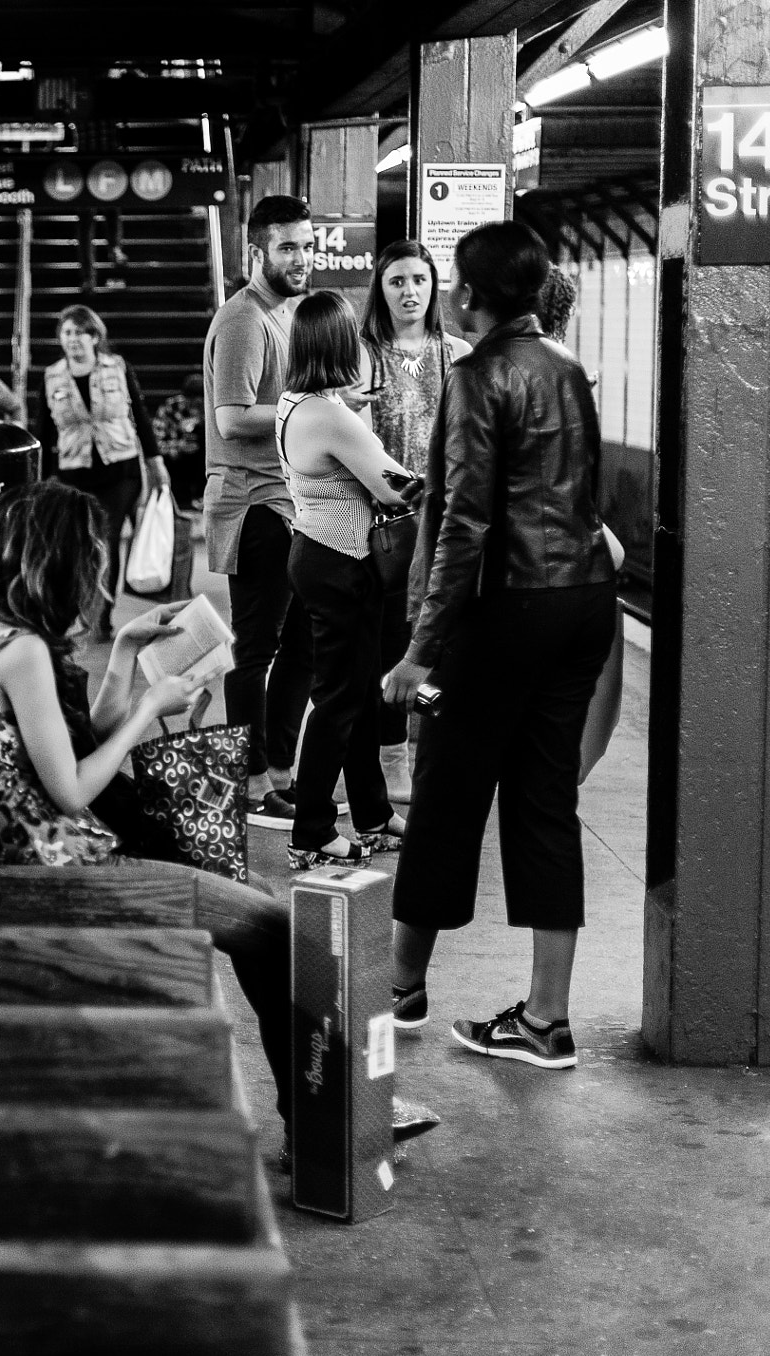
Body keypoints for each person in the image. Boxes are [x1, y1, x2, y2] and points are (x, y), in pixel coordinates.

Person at [0, 482, 438, 1149]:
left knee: (260, 905)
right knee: (274, 921)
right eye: (90, 567)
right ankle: (323, 1121)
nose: (96, 586)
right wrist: (154, 702)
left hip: (35, 863)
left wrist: (124, 658)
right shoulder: (19, 652)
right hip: (56, 877)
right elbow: (75, 787)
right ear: (51, 560)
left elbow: (75, 743)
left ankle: (320, 1112)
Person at [382, 220, 618, 1070]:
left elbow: (465, 522)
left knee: (447, 790)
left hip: (506, 609)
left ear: (468, 294)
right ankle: (546, 1020)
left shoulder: (478, 374)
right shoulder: (565, 365)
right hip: (582, 599)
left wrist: (419, 649)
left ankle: (400, 984)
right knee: (545, 801)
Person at [275, 292, 414, 870]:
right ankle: (311, 827)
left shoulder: (295, 403)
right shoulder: (329, 415)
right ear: (339, 344)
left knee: (355, 692)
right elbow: (396, 487)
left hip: (313, 553)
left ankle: (373, 814)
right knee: (338, 698)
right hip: (341, 564)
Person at [203, 195, 315, 831]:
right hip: (255, 506)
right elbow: (231, 417)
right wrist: (314, 413)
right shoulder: (245, 319)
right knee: (258, 650)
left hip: (290, 503)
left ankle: (279, 775)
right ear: (256, 253)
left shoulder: (290, 314)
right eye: (288, 248)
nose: (302, 259)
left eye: (306, 245)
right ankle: (245, 783)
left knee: (300, 647)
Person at [360, 239, 473, 806]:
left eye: (420, 281)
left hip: (446, 522)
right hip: (383, 520)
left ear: (436, 289)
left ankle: (428, 739)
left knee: (437, 641)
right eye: (397, 281)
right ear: (380, 289)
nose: (410, 291)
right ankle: (390, 752)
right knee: (391, 643)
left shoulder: (457, 353)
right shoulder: (362, 353)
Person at [35, 304, 170, 638]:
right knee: (80, 544)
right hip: (74, 473)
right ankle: (83, 608)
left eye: (81, 332)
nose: (74, 339)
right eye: (67, 332)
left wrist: (156, 463)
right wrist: (43, 478)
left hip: (120, 471)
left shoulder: (117, 368)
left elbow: (139, 415)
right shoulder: (52, 376)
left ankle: (100, 616)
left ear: (95, 336)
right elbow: (44, 431)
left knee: (105, 541)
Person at [153, 373, 207, 510]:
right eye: (193, 402)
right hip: (178, 461)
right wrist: (179, 446)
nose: (197, 406)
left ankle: (202, 496)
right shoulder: (170, 408)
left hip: (204, 461)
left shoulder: (213, 409)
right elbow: (156, 444)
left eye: (201, 402)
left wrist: (200, 422)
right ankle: (180, 501)